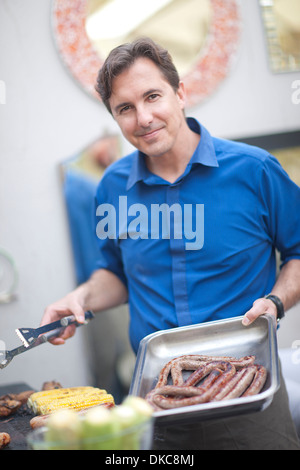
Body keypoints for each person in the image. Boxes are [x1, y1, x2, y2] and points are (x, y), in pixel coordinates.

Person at [41, 37, 300, 449]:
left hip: (248, 396)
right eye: (125, 108)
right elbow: (117, 274)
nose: (143, 118)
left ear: (180, 94)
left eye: (152, 96)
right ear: (114, 116)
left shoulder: (255, 171)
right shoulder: (111, 186)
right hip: (156, 405)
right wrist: (81, 297)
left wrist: (278, 300)